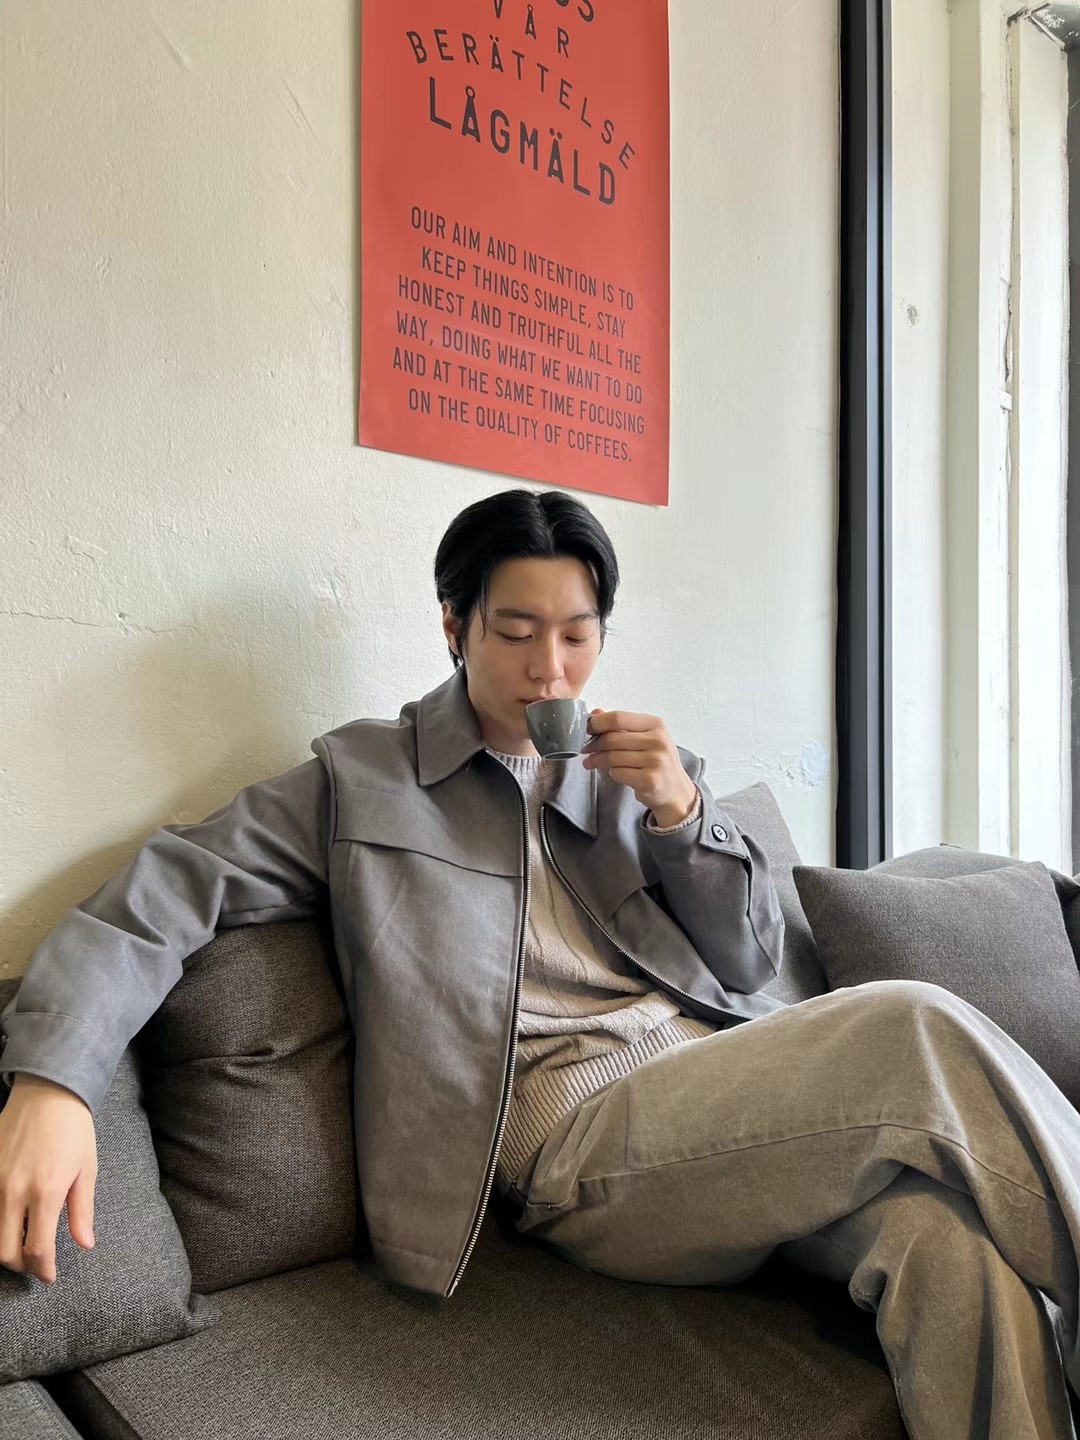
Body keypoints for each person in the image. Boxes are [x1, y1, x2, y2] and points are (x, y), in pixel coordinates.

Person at [2, 485, 1080, 1439]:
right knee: (908, 1021)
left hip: (732, 1104)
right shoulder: (361, 782)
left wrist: (682, 814)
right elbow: (161, 893)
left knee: (950, 1250)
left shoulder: (635, 775)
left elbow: (750, 957)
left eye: (576, 635)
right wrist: (55, 1079)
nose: (548, 667)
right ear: (454, 624)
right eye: (515, 631)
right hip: (579, 1149)